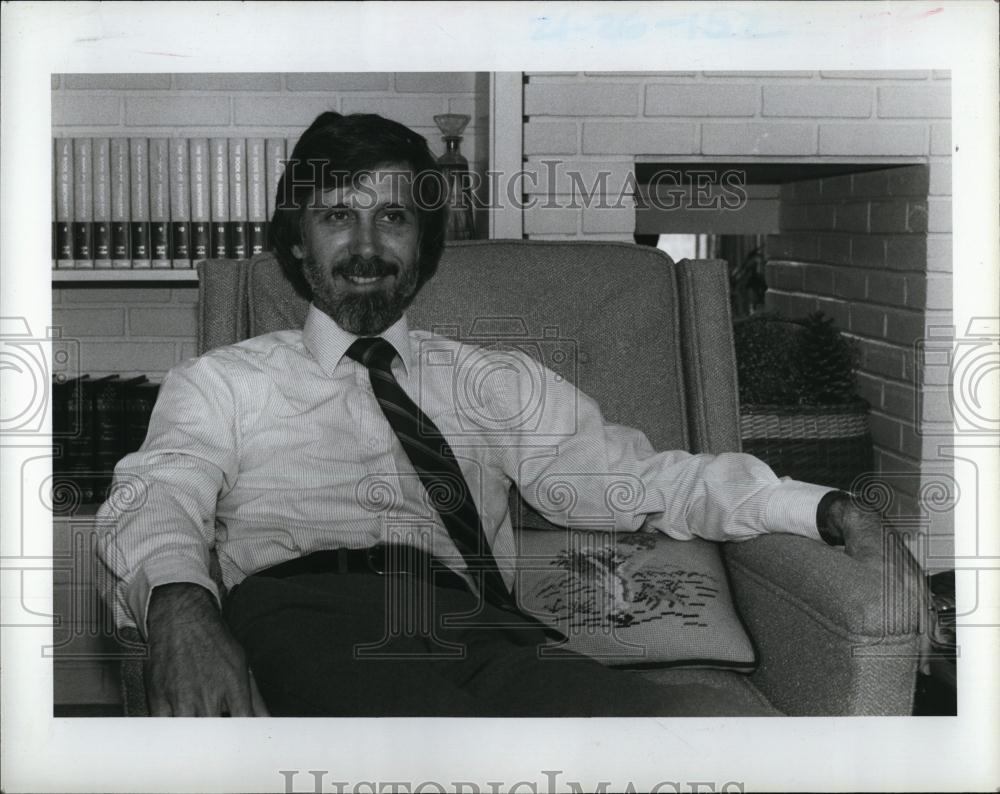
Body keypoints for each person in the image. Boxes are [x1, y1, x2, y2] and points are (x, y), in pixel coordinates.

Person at [96, 111, 907, 718]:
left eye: (394, 217)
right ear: (299, 245)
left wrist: (823, 506)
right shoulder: (222, 383)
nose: (367, 243)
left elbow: (642, 479)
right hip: (307, 611)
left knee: (624, 745)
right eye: (338, 215)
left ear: (426, 245)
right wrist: (178, 598)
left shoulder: (498, 383)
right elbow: (157, 494)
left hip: (481, 623)